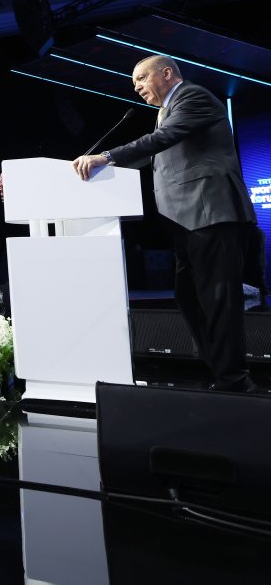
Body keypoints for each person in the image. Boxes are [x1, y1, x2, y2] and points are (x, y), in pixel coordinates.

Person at [72, 55, 259, 392]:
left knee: (218, 300)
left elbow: (162, 140)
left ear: (167, 73)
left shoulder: (193, 97)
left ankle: (234, 379)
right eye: (135, 84)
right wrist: (103, 169)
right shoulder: (168, 113)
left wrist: (107, 157)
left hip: (211, 214)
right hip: (186, 220)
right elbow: (157, 152)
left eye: (142, 79)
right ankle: (223, 372)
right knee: (189, 298)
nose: (138, 88)